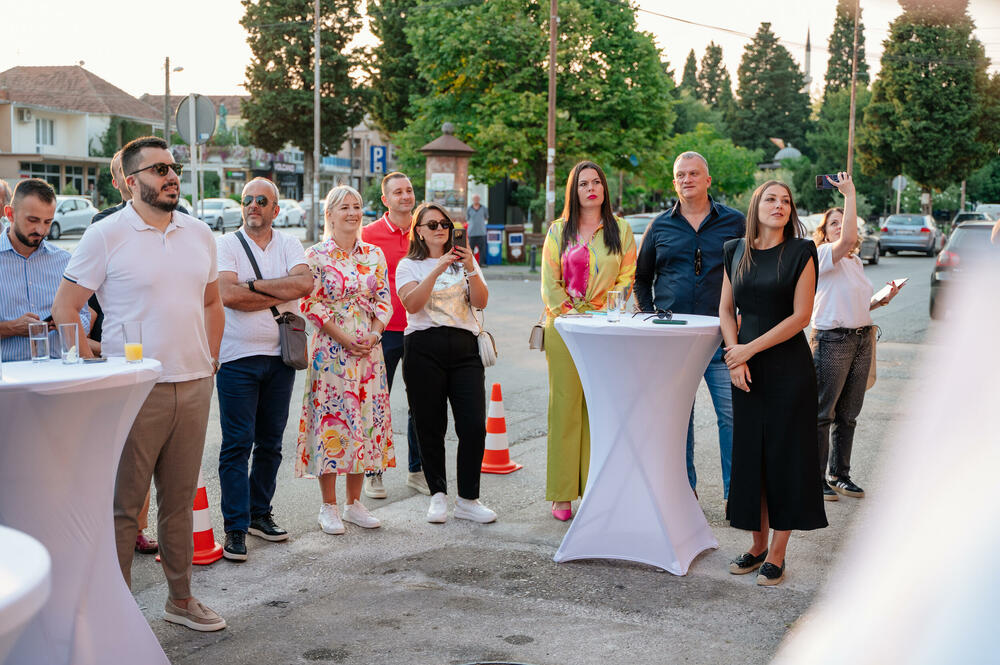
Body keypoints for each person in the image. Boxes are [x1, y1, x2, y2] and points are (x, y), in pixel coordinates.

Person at [52, 136, 227, 631]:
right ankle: (115, 607)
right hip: (133, 390)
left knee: (178, 503)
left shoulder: (199, 233)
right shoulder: (105, 235)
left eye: (172, 167)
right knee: (123, 508)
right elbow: (66, 309)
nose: (171, 176)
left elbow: (213, 303)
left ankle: (180, 599)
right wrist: (96, 366)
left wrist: (210, 358)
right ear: (131, 182)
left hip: (193, 384)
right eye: (157, 170)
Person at [720, 180, 827, 587]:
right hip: (745, 371)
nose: (779, 205)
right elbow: (726, 310)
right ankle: (756, 544)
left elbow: (801, 317)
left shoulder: (802, 252)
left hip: (787, 369)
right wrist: (734, 355)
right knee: (751, 459)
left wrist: (748, 350)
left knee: (785, 459)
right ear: (756, 206)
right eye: (771, 198)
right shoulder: (734, 250)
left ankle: (778, 552)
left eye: (786, 201)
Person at [634, 151, 745, 503]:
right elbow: (641, 279)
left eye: (694, 173)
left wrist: (746, 316)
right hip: (673, 342)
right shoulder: (659, 226)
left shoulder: (735, 223)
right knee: (679, 420)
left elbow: (751, 273)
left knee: (733, 418)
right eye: (680, 175)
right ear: (674, 182)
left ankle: (737, 496)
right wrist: (651, 318)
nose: (687, 179)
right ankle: (686, 494)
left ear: (708, 180)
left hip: (721, 338)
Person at [215, 177, 313, 561]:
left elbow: (304, 284)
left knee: (271, 443)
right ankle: (235, 528)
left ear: (275, 209)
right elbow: (228, 295)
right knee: (237, 444)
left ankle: (260, 514)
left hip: (281, 357)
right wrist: (278, 289)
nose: (253, 205)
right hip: (237, 358)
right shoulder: (225, 244)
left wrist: (253, 285)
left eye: (261, 200)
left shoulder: (289, 242)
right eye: (247, 200)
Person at [296, 184, 394, 536]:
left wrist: (375, 332)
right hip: (332, 352)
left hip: (368, 351)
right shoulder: (316, 256)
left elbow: (384, 299)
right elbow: (309, 303)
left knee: (364, 422)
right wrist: (342, 336)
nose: (352, 213)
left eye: (356, 206)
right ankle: (329, 506)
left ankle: (354, 503)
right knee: (333, 422)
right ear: (330, 214)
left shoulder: (374, 254)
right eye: (344, 207)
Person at [541, 161, 637, 521]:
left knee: (602, 411)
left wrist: (601, 311)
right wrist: (570, 313)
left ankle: (599, 488)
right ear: (574, 190)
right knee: (564, 409)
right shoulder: (558, 231)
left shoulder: (621, 230)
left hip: (605, 327)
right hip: (564, 328)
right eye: (583, 183)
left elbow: (628, 276)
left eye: (597, 181)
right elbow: (549, 281)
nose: (591, 188)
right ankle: (562, 494)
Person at [397, 202, 497, 524]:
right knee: (429, 425)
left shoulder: (466, 261)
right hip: (424, 346)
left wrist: (468, 267)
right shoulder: (408, 266)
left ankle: (468, 498)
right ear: (419, 232)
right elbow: (412, 306)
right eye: (432, 224)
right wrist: (438, 267)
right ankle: (437, 494)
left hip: (465, 347)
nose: (440, 228)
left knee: (472, 426)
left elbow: (480, 302)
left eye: (444, 223)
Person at [810, 173, 900, 501]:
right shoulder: (822, 256)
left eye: (843, 222)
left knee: (849, 414)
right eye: (834, 222)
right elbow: (846, 240)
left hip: (862, 338)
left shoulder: (855, 260)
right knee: (823, 413)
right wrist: (849, 196)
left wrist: (880, 299)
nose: (839, 227)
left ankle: (840, 474)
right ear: (825, 230)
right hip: (833, 339)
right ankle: (814, 478)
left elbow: (858, 302)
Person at [360, 171, 427, 498]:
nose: (405, 196)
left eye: (409, 190)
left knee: (421, 404)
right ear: (385, 200)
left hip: (420, 328)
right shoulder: (369, 235)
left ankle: (417, 470)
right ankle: (374, 472)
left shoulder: (426, 230)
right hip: (382, 332)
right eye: (398, 192)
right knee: (376, 403)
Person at [1, 178, 90, 362]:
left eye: (48, 222)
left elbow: (85, 319)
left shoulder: (65, 261)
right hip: (8, 379)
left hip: (59, 372)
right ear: (10, 213)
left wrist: (64, 322)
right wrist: (12, 327)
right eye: (32, 220)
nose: (41, 230)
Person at [465, 193, 489, 263]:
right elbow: (467, 218)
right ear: (472, 200)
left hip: (481, 232)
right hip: (471, 232)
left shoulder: (484, 208)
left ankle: (482, 263)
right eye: (474, 198)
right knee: (470, 249)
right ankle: (470, 263)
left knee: (482, 249)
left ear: (479, 199)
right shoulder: (469, 209)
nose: (476, 200)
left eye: (477, 198)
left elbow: (486, 217)